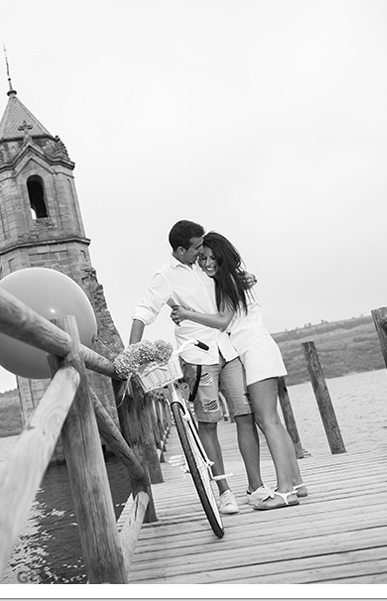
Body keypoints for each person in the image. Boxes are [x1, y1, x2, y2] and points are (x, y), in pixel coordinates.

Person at [128, 220, 271, 515]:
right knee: (208, 423)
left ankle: (255, 487)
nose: (201, 251)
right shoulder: (165, 276)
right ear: (181, 250)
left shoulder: (206, 265)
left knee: (245, 415)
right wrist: (132, 352)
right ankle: (224, 492)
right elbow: (143, 312)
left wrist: (247, 278)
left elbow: (234, 278)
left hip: (228, 350)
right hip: (197, 358)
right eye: (196, 248)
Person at [170, 231, 307, 510]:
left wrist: (185, 313)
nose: (207, 263)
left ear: (224, 259)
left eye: (213, 258)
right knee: (273, 421)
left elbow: (222, 321)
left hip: (255, 352)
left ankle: (285, 491)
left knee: (268, 422)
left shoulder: (230, 281)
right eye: (203, 257)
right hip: (257, 351)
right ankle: (297, 483)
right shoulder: (227, 280)